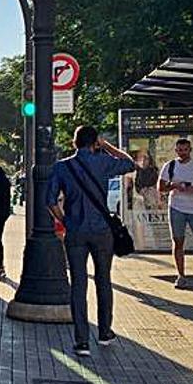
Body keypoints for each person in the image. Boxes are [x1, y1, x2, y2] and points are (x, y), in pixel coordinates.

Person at [46, 126, 135, 356]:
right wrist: (106, 146)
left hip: (75, 231)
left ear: (74, 143)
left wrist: (65, 221)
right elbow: (129, 162)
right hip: (102, 231)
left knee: (78, 284)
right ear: (94, 142)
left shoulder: (61, 167)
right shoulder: (103, 162)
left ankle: (81, 341)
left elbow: (50, 201)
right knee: (104, 280)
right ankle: (105, 332)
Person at [158, 138, 193, 289]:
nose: (183, 153)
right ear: (176, 151)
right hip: (177, 207)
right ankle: (181, 276)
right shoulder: (170, 166)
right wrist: (174, 186)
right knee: (178, 242)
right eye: (180, 150)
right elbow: (161, 187)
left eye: (185, 150)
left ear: (190, 150)